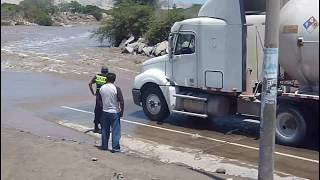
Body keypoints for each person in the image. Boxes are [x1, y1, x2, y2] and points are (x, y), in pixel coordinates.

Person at [99, 73, 124, 152]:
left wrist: (103, 107)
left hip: (105, 111)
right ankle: (115, 148)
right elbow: (121, 101)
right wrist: (121, 112)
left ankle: (104, 146)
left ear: (106, 79)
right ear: (114, 80)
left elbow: (99, 101)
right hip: (114, 112)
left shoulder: (102, 88)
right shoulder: (116, 88)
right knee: (115, 131)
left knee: (104, 130)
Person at [89, 66, 109, 133]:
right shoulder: (107, 78)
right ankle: (103, 128)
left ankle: (96, 128)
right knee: (103, 112)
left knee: (97, 111)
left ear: (101, 71)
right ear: (107, 71)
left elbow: (90, 84)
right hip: (105, 97)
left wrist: (93, 93)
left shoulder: (97, 76)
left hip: (98, 97)